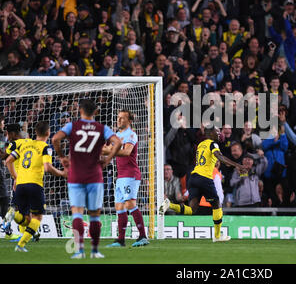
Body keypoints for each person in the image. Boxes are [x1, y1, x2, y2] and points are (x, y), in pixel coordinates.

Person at [52, 99, 122, 259]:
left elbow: (55, 139)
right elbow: (117, 142)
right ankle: (95, 251)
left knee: (77, 213)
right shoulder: (102, 128)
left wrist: (62, 157)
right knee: (94, 215)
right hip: (94, 176)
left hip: (76, 175)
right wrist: (109, 159)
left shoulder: (72, 126)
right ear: (95, 112)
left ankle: (79, 251)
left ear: (80, 111)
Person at [159, 127, 246, 242]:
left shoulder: (201, 145)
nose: (219, 133)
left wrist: (227, 163)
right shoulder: (212, 144)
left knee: (192, 209)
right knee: (217, 205)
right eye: (217, 131)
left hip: (193, 177)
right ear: (211, 134)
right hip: (204, 178)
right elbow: (220, 157)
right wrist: (238, 165)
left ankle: (169, 205)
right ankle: (217, 235)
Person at [4, 121, 66, 252]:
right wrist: (62, 173)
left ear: (35, 132)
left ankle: (13, 215)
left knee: (26, 219)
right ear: (48, 133)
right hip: (35, 184)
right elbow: (47, 167)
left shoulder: (25, 144)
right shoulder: (46, 147)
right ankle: (20, 245)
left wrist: (16, 177)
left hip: (20, 184)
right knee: (37, 218)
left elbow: (8, 160)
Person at [103, 110, 148, 248]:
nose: (119, 120)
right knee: (119, 206)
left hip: (131, 174)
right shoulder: (116, 136)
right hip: (120, 175)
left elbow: (127, 152)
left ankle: (143, 236)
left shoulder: (131, 134)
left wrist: (107, 150)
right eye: (118, 117)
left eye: (122, 118)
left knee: (130, 204)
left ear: (129, 121)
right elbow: (107, 151)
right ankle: (120, 240)